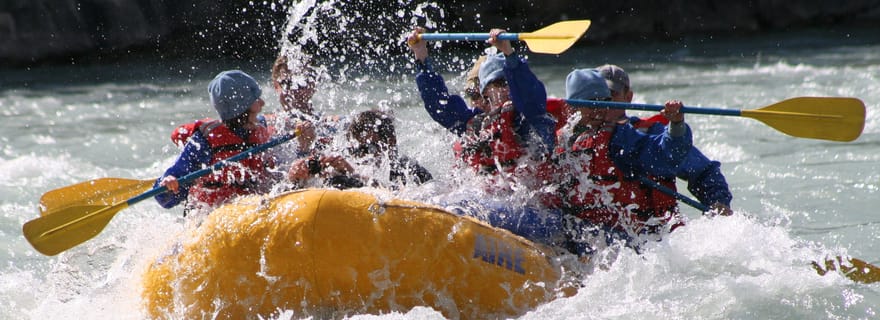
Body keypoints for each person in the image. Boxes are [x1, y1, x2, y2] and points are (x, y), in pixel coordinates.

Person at [551, 68, 693, 251]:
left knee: (591, 238)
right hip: (574, 228)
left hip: (617, 236)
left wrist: (676, 125)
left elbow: (665, 157)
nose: (598, 110)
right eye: (591, 103)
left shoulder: (621, 138)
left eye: (604, 102)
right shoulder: (557, 139)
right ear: (572, 107)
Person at [406, 27, 556, 179]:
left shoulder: (531, 114)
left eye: (508, 82)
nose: (506, 89)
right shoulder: (475, 123)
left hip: (538, 195)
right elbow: (438, 105)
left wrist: (508, 53)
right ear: (486, 93)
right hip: (492, 198)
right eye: (498, 84)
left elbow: (527, 91)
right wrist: (421, 55)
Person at [597, 64, 732, 215]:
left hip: (652, 231)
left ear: (628, 97)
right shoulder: (571, 136)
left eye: (611, 94)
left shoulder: (651, 134)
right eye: (597, 95)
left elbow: (703, 172)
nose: (603, 101)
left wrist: (717, 201)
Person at [155, 70, 278, 211]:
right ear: (241, 109)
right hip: (213, 215)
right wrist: (168, 185)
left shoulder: (261, 127)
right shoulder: (204, 142)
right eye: (255, 99)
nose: (262, 103)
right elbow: (164, 200)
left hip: (253, 207)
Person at [287, 109, 432, 190]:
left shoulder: (407, 169)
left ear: (390, 144)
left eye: (369, 148)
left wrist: (352, 173)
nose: (363, 155)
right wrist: (304, 173)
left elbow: (393, 195)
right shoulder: (344, 172)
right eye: (356, 150)